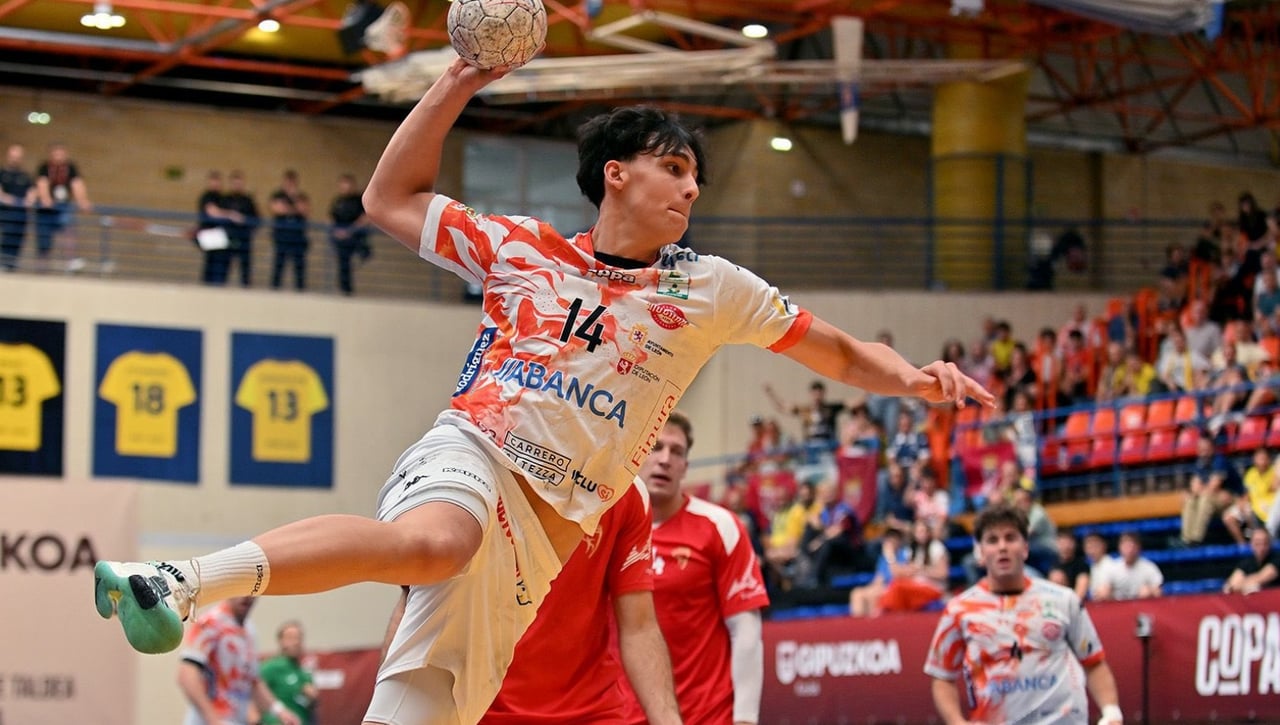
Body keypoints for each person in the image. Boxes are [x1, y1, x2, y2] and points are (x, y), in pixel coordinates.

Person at [94, 57, 993, 725]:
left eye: (695, 177)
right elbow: (389, 197)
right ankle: (180, 579)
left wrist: (914, 380)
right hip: (475, 449)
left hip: (546, 534)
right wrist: (461, 75)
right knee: (435, 538)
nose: (690, 187)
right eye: (674, 168)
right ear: (618, 172)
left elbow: (833, 351)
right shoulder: (523, 249)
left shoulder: (711, 286)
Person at [379, 483, 683, 725]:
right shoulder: (483, 473)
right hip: (479, 708)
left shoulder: (625, 489)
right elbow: (412, 605)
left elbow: (639, 627)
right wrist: (387, 706)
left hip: (590, 712)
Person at [621, 411, 770, 725]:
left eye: (676, 451)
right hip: (622, 715)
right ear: (635, 454)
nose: (664, 459)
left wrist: (745, 718)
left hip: (707, 715)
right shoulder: (605, 530)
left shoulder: (720, 526)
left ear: (686, 466)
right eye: (655, 447)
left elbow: (745, 630)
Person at [924, 503, 1123, 725]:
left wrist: (1112, 712)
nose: (1002, 547)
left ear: (1025, 548)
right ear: (980, 552)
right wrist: (956, 722)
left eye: (1010, 538)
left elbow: (1094, 662)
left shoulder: (1063, 600)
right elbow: (942, 677)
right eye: (992, 540)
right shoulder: (958, 610)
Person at [177, 596, 301, 725]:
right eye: (242, 590)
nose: (247, 596)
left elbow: (253, 681)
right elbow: (186, 676)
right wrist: (213, 719)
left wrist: (280, 711)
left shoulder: (250, 631)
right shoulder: (210, 623)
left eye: (252, 591)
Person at [34, 142, 92, 273]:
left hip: (63, 207)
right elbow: (42, 183)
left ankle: (70, 260)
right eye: (56, 154)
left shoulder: (70, 168)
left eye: (61, 154)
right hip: (46, 210)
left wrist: (83, 200)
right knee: (44, 238)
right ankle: (42, 265)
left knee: (68, 231)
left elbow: (77, 184)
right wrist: (45, 198)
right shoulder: (44, 167)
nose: (59, 157)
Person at [259, 620, 318, 725]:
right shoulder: (271, 667)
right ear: (281, 641)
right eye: (290, 638)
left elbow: (312, 706)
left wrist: (312, 698)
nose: (296, 642)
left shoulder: (304, 672)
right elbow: (253, 693)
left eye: (298, 638)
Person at [196, 170, 243, 286]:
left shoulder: (222, 198)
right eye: (213, 181)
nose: (216, 184)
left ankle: (217, 286)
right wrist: (230, 215)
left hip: (221, 237)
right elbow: (212, 211)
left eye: (218, 182)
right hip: (211, 236)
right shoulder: (207, 196)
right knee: (213, 264)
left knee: (221, 264)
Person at [330, 172, 372, 296]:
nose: (345, 187)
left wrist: (350, 231)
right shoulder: (338, 201)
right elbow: (331, 217)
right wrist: (336, 231)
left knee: (355, 260)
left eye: (347, 183)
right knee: (343, 263)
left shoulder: (359, 200)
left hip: (356, 238)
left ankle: (349, 290)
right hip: (341, 238)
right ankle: (344, 289)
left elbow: (366, 217)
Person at [1091, 531, 1162, 601]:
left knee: (1146, 592)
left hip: (1142, 608)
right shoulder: (1112, 567)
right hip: (1117, 607)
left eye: (1132, 546)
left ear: (1138, 548)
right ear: (1120, 547)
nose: (1129, 550)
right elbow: (1101, 591)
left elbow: (1159, 592)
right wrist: (1104, 592)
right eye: (1126, 546)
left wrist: (1150, 591)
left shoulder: (1149, 567)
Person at [270, 169, 310, 290]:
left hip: (298, 237)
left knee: (299, 267)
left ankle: (300, 290)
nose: (290, 185)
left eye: (292, 182)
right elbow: (276, 209)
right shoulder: (277, 195)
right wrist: (294, 208)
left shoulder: (301, 196)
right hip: (281, 236)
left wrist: (290, 203)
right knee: (278, 265)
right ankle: (275, 289)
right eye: (288, 182)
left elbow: (304, 210)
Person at [222, 169, 261, 287]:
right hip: (228, 237)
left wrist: (244, 222)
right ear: (231, 183)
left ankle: (246, 290)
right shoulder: (225, 200)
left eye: (239, 183)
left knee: (245, 269)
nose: (237, 185)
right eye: (235, 183)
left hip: (244, 239)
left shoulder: (248, 201)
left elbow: (256, 219)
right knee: (224, 267)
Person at [0, 142, 34, 271]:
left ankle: (10, 265)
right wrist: (14, 201)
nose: (15, 159)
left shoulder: (25, 176)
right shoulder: (2, 173)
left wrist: (30, 199)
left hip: (20, 216)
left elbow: (31, 192)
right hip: (4, 215)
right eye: (13, 156)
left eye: (18, 157)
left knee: (16, 241)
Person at [1222, 527, 1279, 595]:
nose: (1261, 547)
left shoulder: (1277, 559)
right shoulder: (1247, 562)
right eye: (1257, 543)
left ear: (1269, 544)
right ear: (1252, 544)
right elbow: (1231, 583)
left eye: (1265, 543)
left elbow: (1261, 578)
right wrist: (1233, 586)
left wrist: (1236, 586)